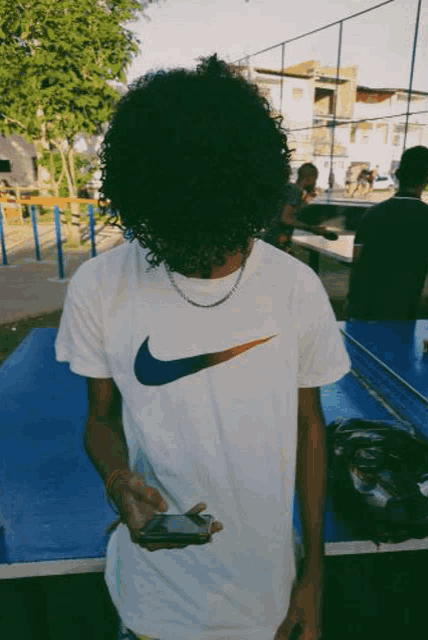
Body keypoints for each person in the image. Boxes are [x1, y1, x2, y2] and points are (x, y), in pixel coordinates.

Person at [55, 54, 351, 640]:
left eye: (210, 230)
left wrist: (314, 575)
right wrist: (119, 482)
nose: (197, 257)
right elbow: (98, 419)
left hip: (265, 599)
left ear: (247, 196)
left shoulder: (296, 289)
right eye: (176, 232)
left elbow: (310, 429)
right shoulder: (100, 285)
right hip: (152, 603)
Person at [346, 145, 428, 321]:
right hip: (402, 312)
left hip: (361, 311)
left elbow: (357, 264)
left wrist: (350, 302)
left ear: (399, 175)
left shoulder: (371, 215)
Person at [262, 163, 328, 253]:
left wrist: (307, 195)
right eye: (315, 179)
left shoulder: (290, 188)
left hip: (272, 238)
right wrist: (312, 228)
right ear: (310, 178)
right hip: (277, 240)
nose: (315, 183)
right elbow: (285, 219)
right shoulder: (296, 191)